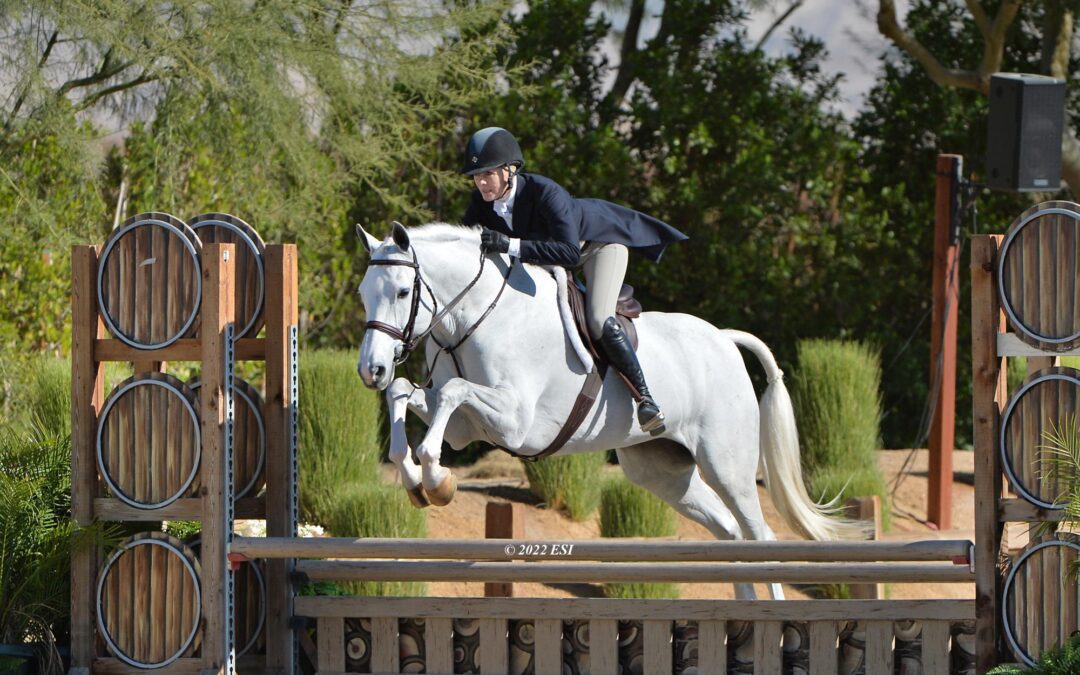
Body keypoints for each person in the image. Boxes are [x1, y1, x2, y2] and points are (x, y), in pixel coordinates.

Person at [460, 126, 688, 433]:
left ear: (509, 170)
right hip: (548, 259)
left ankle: (645, 399)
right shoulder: (481, 202)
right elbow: (466, 244)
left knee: (597, 318)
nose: (481, 182)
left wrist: (509, 245)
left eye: (487, 173)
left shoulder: (545, 192)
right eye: (476, 176)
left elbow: (568, 253)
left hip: (597, 248)